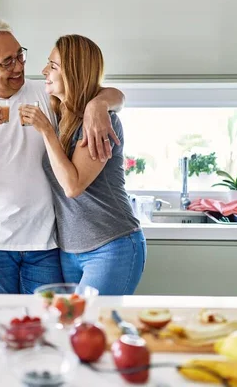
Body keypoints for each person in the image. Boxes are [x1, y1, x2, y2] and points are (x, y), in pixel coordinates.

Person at [0, 16, 125, 294]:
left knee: (47, 324)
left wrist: (98, 103)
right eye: (7, 62)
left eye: (19, 56)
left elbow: (106, 93)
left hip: (45, 243)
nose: (18, 67)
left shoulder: (46, 94)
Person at [19, 35, 145, 295]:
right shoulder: (61, 114)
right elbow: (116, 96)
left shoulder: (99, 123)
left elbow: (72, 186)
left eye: (53, 66)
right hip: (70, 251)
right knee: (74, 328)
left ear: (74, 73)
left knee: (93, 325)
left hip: (111, 246)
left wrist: (46, 131)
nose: (44, 71)